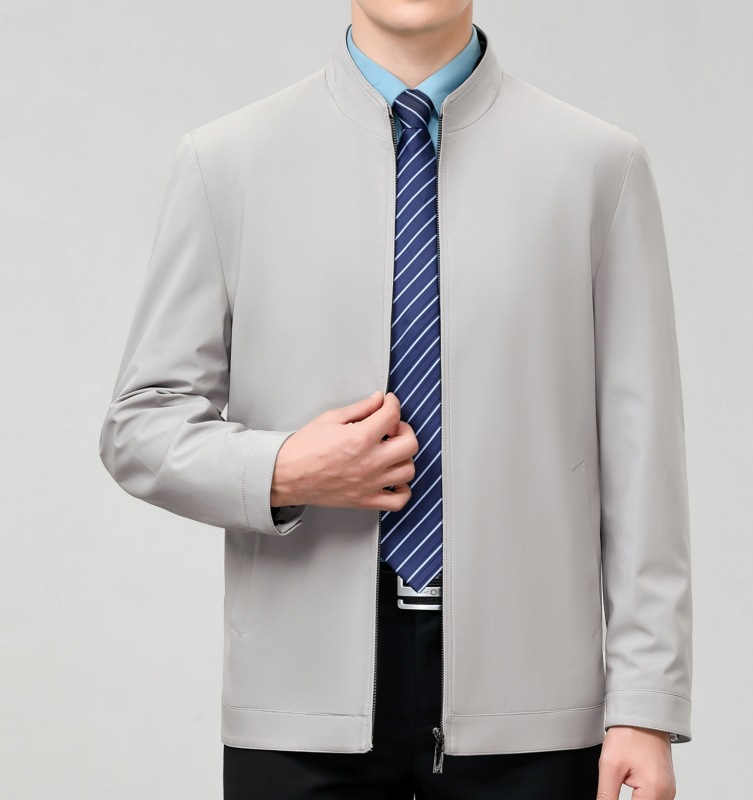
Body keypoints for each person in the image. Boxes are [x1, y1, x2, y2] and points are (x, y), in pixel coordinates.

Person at [99, 2, 692, 798]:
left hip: (535, 695)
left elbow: (643, 456)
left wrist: (646, 706)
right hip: (301, 693)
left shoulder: (598, 168)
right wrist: (283, 469)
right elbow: (139, 423)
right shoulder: (228, 162)